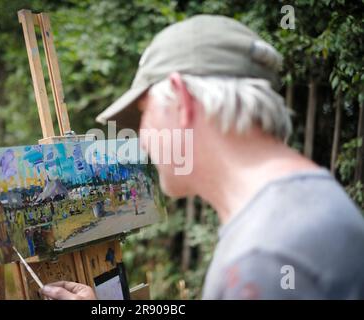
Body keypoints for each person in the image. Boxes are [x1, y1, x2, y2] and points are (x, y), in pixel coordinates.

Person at [41, 15, 364, 300]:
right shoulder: (310, 200)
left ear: (181, 101)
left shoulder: (263, 257)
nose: (143, 138)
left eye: (144, 116)